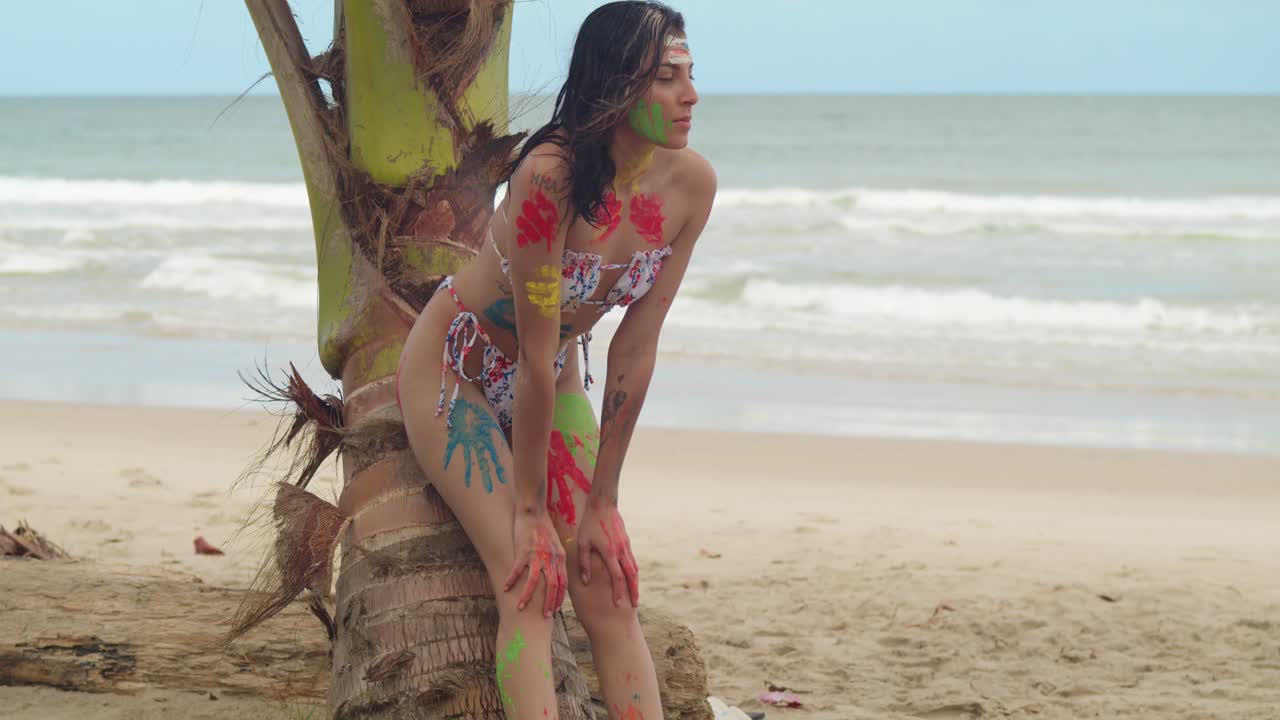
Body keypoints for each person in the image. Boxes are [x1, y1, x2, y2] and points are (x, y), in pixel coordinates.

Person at [396, 1, 714, 718]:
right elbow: (534, 354)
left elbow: (636, 345)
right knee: (529, 580)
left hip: (557, 373)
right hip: (458, 371)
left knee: (609, 581)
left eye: (692, 75)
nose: (691, 95)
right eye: (668, 78)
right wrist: (531, 510)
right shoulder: (550, 176)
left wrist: (604, 503)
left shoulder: (692, 187)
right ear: (617, 84)